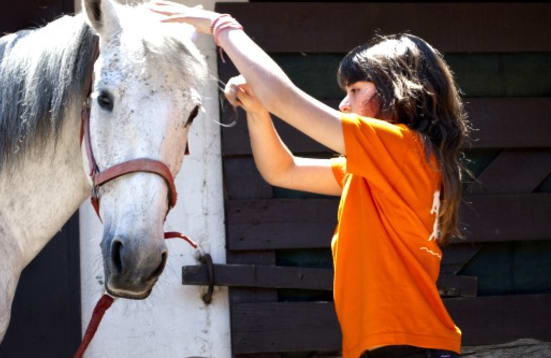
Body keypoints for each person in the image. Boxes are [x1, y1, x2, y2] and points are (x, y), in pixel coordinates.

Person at [149, 2, 471, 357]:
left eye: (355, 90)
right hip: (395, 345)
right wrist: (259, 113)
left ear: (399, 90)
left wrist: (222, 27)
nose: (344, 104)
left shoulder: (400, 148)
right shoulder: (387, 166)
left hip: (405, 346)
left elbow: (283, 98)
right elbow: (282, 171)